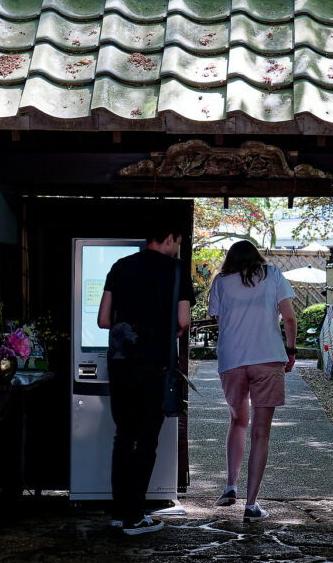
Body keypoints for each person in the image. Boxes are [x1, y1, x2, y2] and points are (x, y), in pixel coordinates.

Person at [97, 229, 194, 535]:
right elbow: (183, 320)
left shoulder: (120, 266)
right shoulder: (176, 270)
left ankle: (119, 513)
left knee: (124, 436)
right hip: (154, 365)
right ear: (170, 238)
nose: (176, 248)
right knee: (147, 439)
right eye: (177, 242)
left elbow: (103, 319)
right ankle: (134, 516)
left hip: (120, 363)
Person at [207, 241, 297, 521]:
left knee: (237, 421)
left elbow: (220, 320)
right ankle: (251, 504)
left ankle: (230, 486)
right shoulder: (274, 274)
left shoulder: (221, 281)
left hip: (232, 359)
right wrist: (291, 350)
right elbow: (289, 318)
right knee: (261, 433)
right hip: (267, 357)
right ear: (257, 256)